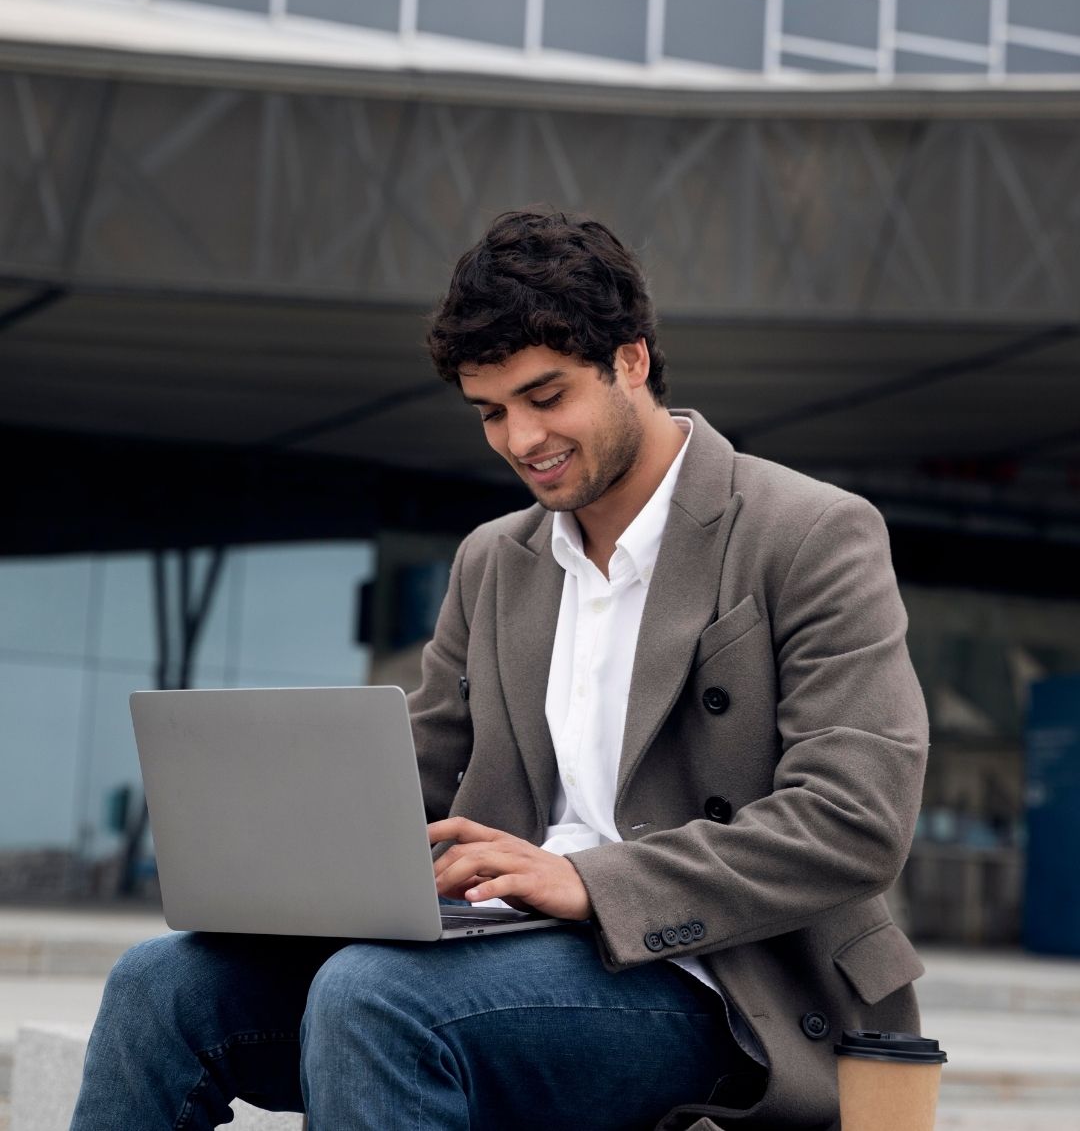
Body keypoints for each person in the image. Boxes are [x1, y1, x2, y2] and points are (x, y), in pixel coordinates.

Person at [71, 208, 929, 1131]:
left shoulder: (809, 532)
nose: (521, 440)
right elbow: (416, 776)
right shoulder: (494, 559)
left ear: (631, 360)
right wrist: (273, 845)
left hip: (729, 983)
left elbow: (855, 819)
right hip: (510, 947)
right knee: (159, 985)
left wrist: (598, 882)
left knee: (377, 997)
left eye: (546, 396)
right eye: (491, 412)